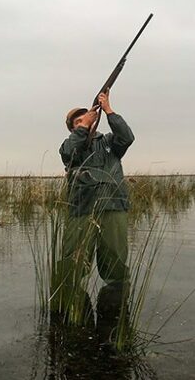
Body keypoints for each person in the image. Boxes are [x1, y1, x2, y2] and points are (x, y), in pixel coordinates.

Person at [55, 90, 134, 329]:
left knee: (116, 263)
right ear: (72, 129)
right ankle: (70, 318)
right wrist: (83, 129)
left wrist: (108, 110)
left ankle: (115, 319)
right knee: (72, 263)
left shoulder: (110, 142)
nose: (84, 122)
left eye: (86, 117)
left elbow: (127, 137)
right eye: (77, 121)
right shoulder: (71, 146)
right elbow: (67, 154)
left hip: (113, 206)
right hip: (82, 208)